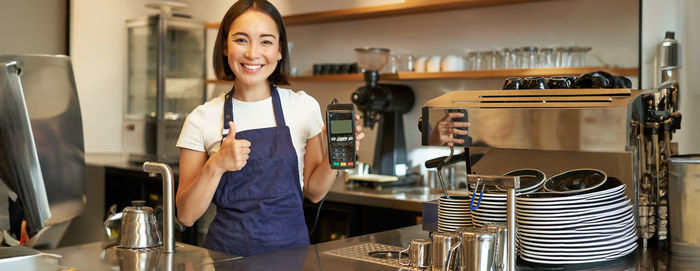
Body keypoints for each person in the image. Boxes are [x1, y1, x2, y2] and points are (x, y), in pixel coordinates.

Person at [175, 0, 364, 256]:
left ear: (279, 51)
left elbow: (314, 191)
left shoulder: (303, 107)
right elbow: (186, 215)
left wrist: (336, 153)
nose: (253, 53)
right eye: (241, 40)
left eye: (266, 41)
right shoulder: (202, 118)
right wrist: (216, 165)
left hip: (292, 258)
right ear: (224, 47)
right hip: (227, 259)